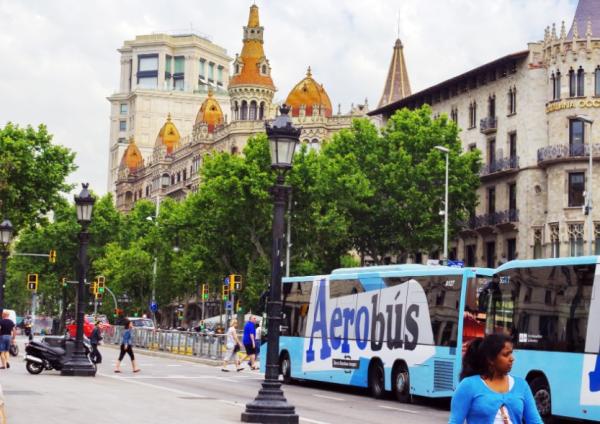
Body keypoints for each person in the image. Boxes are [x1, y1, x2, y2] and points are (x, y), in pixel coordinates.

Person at [449, 333, 543, 424]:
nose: (512, 359)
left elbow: (535, 421)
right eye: (506, 355)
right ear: (490, 359)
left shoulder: (522, 385)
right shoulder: (468, 385)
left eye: (511, 353)